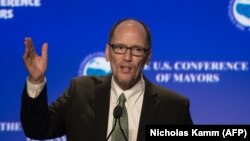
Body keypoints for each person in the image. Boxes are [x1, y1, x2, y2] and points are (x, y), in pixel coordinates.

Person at [21, 18, 193, 141]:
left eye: (137, 50)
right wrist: (36, 80)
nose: (127, 57)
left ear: (148, 57)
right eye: (119, 47)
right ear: (107, 52)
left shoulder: (174, 108)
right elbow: (37, 129)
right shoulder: (81, 91)